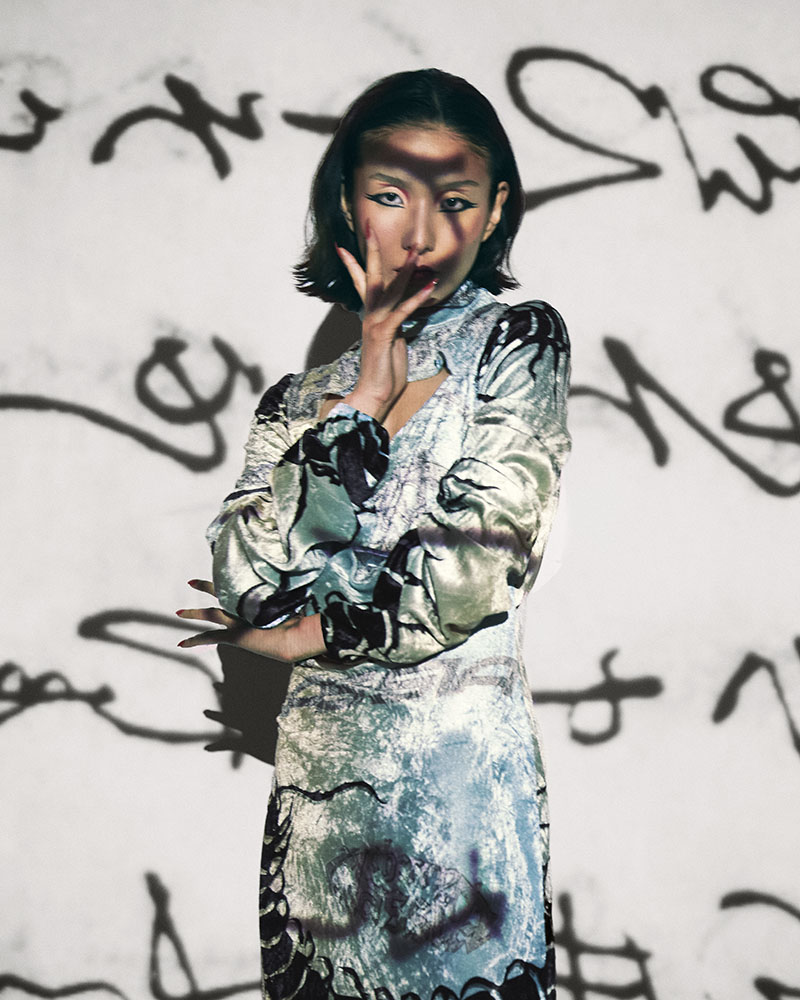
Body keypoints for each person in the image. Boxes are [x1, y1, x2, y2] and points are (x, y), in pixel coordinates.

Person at [177, 68, 571, 1000]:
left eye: (456, 201)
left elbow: (473, 571)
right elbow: (243, 576)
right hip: (316, 829)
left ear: (494, 210)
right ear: (348, 203)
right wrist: (360, 406)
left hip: (461, 824)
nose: (421, 233)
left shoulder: (517, 343)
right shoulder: (297, 403)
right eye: (390, 195)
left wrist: (308, 631)